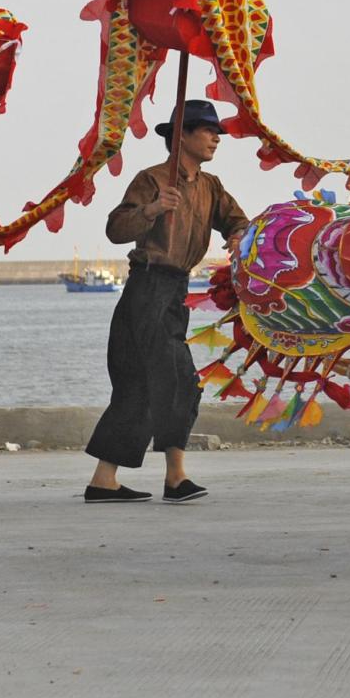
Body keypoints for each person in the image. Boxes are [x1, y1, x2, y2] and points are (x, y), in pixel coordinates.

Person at [82, 98, 247, 505]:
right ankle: (176, 477)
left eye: (217, 133)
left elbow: (238, 220)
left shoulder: (211, 186)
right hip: (148, 287)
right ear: (182, 135)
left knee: (137, 386)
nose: (215, 139)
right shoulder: (152, 179)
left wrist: (240, 235)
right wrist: (154, 209)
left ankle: (104, 480)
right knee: (178, 379)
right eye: (208, 131)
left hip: (175, 291)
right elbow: (116, 228)